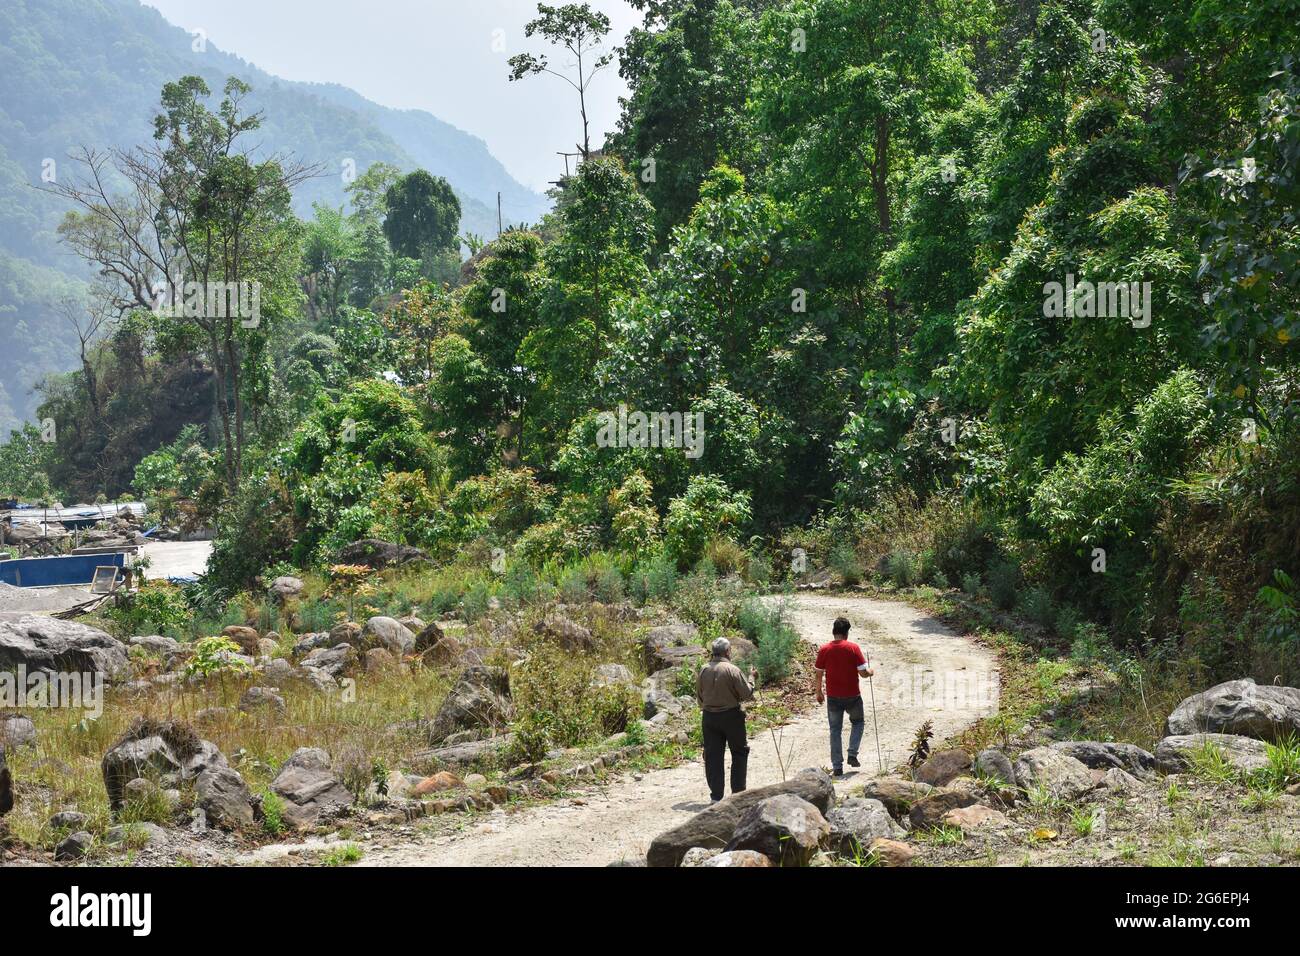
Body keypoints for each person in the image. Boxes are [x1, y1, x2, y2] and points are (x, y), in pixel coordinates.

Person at [696, 637, 756, 803]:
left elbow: (699, 697)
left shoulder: (703, 670)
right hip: (731, 716)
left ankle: (716, 796)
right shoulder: (732, 670)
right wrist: (752, 678)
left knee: (713, 755)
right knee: (739, 753)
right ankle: (737, 795)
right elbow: (746, 694)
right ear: (727, 652)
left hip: (709, 717)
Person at [813, 616, 875, 776]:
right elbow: (863, 673)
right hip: (852, 695)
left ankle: (837, 766)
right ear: (847, 632)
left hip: (833, 696)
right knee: (858, 722)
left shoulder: (824, 649)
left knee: (835, 730)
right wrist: (870, 672)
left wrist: (818, 692)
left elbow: (818, 673)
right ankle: (852, 753)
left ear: (834, 631)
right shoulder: (853, 648)